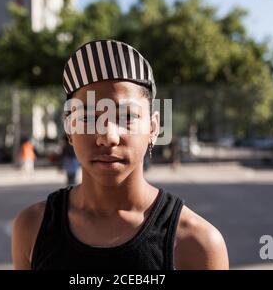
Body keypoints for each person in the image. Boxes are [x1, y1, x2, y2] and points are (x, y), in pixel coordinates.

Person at [12, 40, 228, 270]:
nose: (108, 136)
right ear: (69, 129)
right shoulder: (32, 228)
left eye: (126, 116)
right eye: (88, 117)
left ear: (153, 128)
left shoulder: (197, 243)